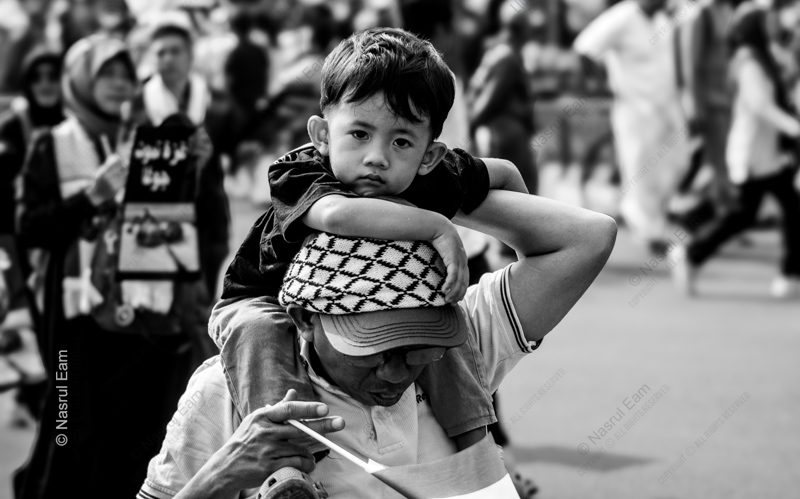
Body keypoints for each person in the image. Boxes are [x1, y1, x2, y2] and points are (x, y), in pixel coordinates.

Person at [138, 184, 617, 498]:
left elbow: (588, 237)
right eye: (372, 349)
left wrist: (411, 189)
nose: (396, 374)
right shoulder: (224, 394)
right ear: (305, 319)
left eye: (418, 351)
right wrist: (223, 473)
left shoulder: (464, 351)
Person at [215, 27, 530, 495]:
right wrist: (437, 227)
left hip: (383, 306)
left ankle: (478, 452)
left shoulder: (433, 174)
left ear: (430, 155)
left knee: (445, 326)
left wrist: (514, 248)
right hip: (265, 298)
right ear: (322, 134)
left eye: (402, 141)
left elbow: (504, 172)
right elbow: (336, 214)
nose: (377, 158)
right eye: (359, 134)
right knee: (261, 336)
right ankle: (288, 471)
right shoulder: (301, 171)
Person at [13, 34, 213, 498]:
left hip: (142, 319)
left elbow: (177, 224)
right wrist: (91, 197)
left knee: (137, 432)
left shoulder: (149, 140)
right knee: (68, 425)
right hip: (76, 320)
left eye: (126, 74)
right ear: (81, 79)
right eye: (106, 73)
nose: (119, 84)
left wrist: (194, 172)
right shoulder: (51, 143)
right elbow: (29, 228)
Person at [670, 5, 800, 298]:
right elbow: (760, 104)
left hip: (769, 155)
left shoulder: (764, 56)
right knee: (742, 214)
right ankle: (691, 251)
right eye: (767, 22)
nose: (774, 26)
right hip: (753, 156)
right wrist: (794, 128)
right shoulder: (749, 61)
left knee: (787, 209)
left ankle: (790, 273)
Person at [574, 0, 689, 254]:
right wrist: (600, 85)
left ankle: (637, 213)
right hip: (635, 111)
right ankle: (649, 232)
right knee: (640, 172)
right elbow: (584, 48)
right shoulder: (623, 17)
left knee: (679, 162)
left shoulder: (662, 20)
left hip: (667, 108)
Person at [133, 17, 231, 299]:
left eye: (175, 51)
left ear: (190, 56)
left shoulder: (215, 104)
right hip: (158, 214)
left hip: (208, 213)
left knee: (203, 299)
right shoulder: (137, 106)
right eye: (160, 53)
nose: (168, 59)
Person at [0, 47, 64, 427]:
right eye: (37, 78)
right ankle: (44, 405)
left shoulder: (76, 121)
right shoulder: (14, 126)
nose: (45, 85)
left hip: (67, 241)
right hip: (22, 242)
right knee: (33, 324)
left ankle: (49, 402)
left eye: (52, 76)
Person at [466, 0, 538, 195]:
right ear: (522, 29)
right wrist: (470, 133)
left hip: (504, 136)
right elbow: (485, 104)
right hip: (506, 139)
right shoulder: (507, 58)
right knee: (520, 198)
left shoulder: (500, 53)